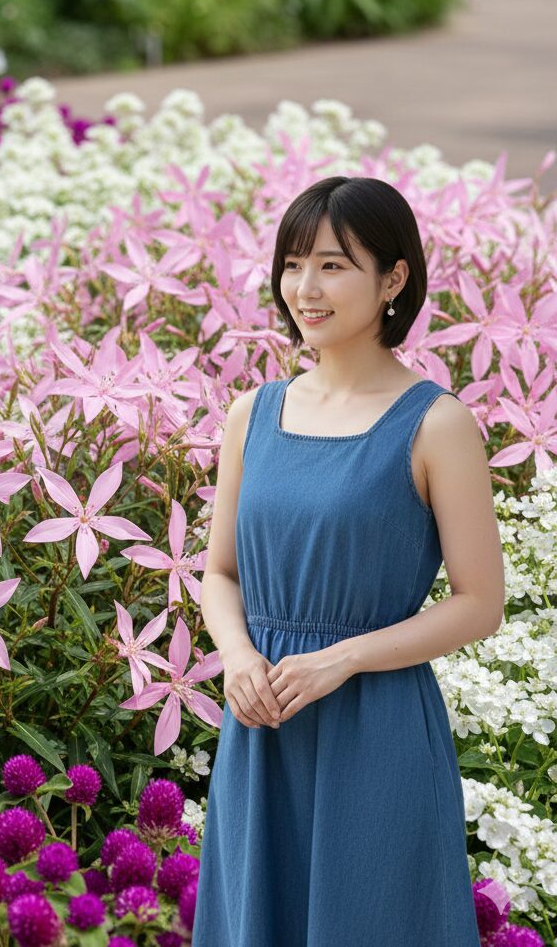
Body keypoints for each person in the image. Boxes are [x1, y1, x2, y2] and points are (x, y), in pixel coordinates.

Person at [193, 175, 505, 945]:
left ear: (393, 279)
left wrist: (345, 659)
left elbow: (479, 602)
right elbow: (221, 573)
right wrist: (235, 656)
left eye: (333, 265)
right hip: (260, 720)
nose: (305, 287)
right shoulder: (252, 414)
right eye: (294, 263)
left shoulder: (436, 425)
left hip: (378, 726)